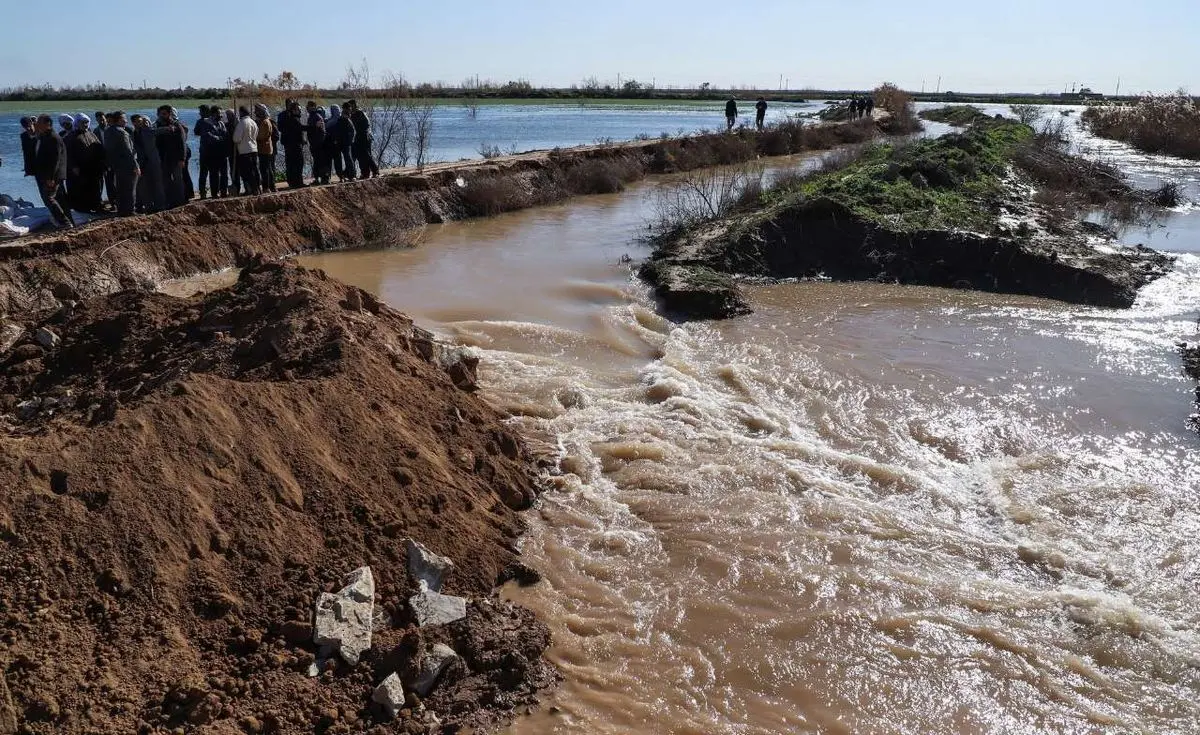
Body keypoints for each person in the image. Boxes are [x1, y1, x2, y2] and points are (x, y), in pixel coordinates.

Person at [32, 114, 74, 228]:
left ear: (47, 124)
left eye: (39, 123)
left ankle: (64, 222)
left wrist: (51, 177)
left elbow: (55, 160)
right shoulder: (45, 136)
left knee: (49, 198)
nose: (37, 125)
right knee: (60, 199)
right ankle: (69, 221)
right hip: (49, 175)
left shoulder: (53, 138)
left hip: (53, 176)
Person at [66, 114, 105, 213]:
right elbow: (68, 154)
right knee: (82, 188)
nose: (85, 124)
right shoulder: (71, 136)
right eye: (83, 122)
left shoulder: (91, 134)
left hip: (94, 167)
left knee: (96, 187)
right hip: (81, 168)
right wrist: (74, 166)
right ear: (77, 123)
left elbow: (99, 147)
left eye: (87, 122)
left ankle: (97, 206)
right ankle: (84, 209)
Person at [102, 111, 139, 217]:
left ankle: (121, 210)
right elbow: (128, 151)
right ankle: (130, 211)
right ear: (118, 120)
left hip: (117, 165)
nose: (126, 121)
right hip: (127, 164)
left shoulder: (108, 131)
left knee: (120, 188)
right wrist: (135, 165)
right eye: (124, 119)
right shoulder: (122, 132)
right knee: (130, 188)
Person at [130, 114, 165, 213]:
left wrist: (170, 128)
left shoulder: (147, 130)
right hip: (142, 162)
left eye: (141, 121)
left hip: (153, 161)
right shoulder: (133, 133)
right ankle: (148, 206)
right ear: (133, 122)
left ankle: (160, 205)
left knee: (157, 183)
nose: (140, 123)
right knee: (144, 185)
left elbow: (159, 130)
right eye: (138, 121)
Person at [155, 106, 188, 208]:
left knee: (178, 180)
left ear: (169, 114)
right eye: (160, 114)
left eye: (164, 114)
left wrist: (182, 159)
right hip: (163, 158)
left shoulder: (177, 125)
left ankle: (180, 201)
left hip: (176, 158)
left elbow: (182, 143)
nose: (162, 116)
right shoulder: (158, 126)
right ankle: (170, 201)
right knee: (166, 180)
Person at [232, 106, 261, 195]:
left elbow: (236, 138)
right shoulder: (253, 122)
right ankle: (258, 188)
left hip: (245, 150)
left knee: (248, 171)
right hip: (254, 148)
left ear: (241, 113)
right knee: (255, 169)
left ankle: (253, 189)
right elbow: (256, 134)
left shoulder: (242, 123)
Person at [278, 99, 307, 188]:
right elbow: (281, 128)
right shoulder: (284, 115)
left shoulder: (295, 115)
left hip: (296, 142)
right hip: (289, 142)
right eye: (291, 105)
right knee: (293, 163)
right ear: (287, 105)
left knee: (295, 163)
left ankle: (295, 181)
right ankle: (294, 182)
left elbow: (299, 129)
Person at [347, 100, 378, 178]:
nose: (349, 108)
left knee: (366, 155)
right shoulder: (354, 114)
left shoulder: (359, 113)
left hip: (364, 137)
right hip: (359, 138)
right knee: (361, 157)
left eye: (350, 106)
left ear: (353, 105)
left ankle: (375, 171)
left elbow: (365, 126)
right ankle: (365, 173)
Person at [327, 104, 356, 181]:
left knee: (348, 159)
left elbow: (353, 132)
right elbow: (334, 132)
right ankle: (341, 176)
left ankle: (351, 176)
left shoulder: (348, 122)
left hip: (346, 144)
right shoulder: (337, 121)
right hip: (337, 144)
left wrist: (350, 141)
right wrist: (335, 140)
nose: (345, 116)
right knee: (338, 160)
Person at [254, 104, 277, 192]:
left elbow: (261, 136)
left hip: (264, 148)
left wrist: (253, 138)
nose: (256, 113)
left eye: (257, 111)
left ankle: (266, 187)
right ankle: (272, 186)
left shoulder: (265, 122)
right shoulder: (263, 121)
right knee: (268, 168)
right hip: (265, 148)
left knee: (265, 169)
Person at [306, 102, 329, 185]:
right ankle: (317, 179)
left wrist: (318, 142)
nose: (307, 108)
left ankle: (324, 178)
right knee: (317, 161)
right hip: (314, 143)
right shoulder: (312, 116)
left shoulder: (317, 117)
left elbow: (322, 131)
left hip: (318, 143)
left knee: (321, 161)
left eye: (308, 107)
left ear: (313, 107)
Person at [223, 108, 240, 196]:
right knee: (233, 171)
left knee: (239, 170)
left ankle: (242, 187)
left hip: (238, 151)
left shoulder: (238, 124)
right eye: (228, 115)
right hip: (230, 151)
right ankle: (235, 187)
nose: (229, 117)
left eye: (230, 115)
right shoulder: (226, 125)